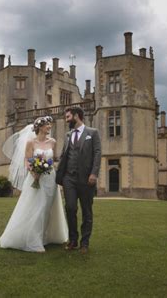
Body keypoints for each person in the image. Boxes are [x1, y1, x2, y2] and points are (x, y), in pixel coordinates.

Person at [0, 116, 68, 252]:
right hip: (35, 177)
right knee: (36, 207)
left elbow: (52, 160)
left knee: (48, 207)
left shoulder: (52, 142)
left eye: (50, 125)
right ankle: (34, 239)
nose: (49, 127)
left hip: (50, 178)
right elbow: (27, 161)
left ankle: (45, 237)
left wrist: (50, 170)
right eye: (47, 125)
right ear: (40, 127)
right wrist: (34, 171)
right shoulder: (30, 142)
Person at [56, 106, 101, 254]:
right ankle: (73, 240)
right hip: (69, 178)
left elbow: (97, 154)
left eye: (68, 117)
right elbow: (64, 155)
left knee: (87, 211)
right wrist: (60, 174)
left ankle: (85, 243)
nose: (66, 120)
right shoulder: (68, 135)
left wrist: (94, 174)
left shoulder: (92, 133)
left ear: (76, 116)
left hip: (87, 178)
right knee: (70, 208)